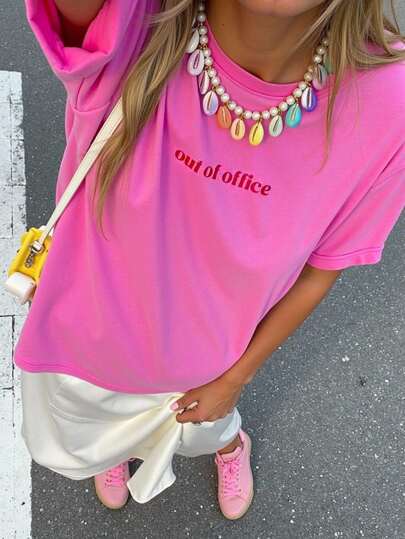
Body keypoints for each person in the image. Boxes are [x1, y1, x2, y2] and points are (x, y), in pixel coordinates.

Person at [14, 0, 405, 522]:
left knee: (207, 432)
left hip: (210, 370)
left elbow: (321, 269)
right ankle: (116, 452)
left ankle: (230, 446)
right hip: (88, 352)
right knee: (99, 435)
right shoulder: (133, 26)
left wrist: (234, 380)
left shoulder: (389, 101)